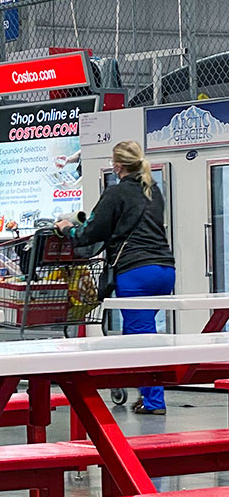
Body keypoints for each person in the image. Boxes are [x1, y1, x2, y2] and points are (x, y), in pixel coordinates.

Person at [56, 140, 175, 415]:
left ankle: (155, 401)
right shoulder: (153, 191)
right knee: (144, 330)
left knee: (139, 336)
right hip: (164, 270)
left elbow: (90, 232)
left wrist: (67, 229)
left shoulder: (116, 193)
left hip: (136, 271)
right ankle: (147, 394)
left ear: (117, 165)